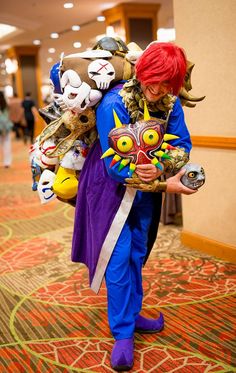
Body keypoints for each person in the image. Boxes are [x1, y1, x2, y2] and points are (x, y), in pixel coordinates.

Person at [71, 42, 197, 371]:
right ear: (141, 72)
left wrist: (162, 165)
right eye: (152, 79)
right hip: (109, 187)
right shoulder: (114, 102)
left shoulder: (170, 103)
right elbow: (115, 164)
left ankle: (133, 313)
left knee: (138, 252)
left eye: (166, 82)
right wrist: (159, 180)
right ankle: (123, 333)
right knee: (118, 255)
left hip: (145, 190)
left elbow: (182, 144)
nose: (156, 89)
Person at [0, 91, 13, 168]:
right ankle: (7, 162)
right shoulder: (6, 105)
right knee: (7, 145)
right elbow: (8, 116)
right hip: (6, 127)